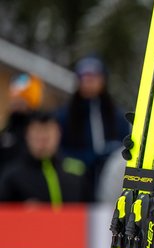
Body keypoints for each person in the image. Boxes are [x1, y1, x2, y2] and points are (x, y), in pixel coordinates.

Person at [57, 56, 129, 199]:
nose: (88, 83)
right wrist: (87, 159)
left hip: (109, 180)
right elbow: (60, 152)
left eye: (94, 78)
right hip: (77, 183)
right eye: (84, 78)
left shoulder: (116, 115)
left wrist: (110, 154)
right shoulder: (65, 116)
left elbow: (125, 147)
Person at [0, 111, 91, 204]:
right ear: (27, 135)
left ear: (58, 133)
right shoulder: (12, 175)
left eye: (48, 132)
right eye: (37, 132)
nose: (42, 138)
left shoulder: (77, 169)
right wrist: (21, 213)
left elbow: (92, 208)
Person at [1, 73, 44, 169]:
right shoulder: (9, 124)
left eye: (20, 99)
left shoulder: (35, 129)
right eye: (13, 99)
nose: (14, 103)